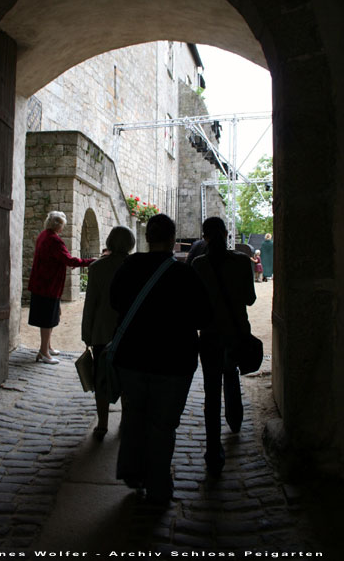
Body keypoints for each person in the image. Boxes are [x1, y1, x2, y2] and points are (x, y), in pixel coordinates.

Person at [110, 213, 211, 505]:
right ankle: (158, 486)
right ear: (171, 240)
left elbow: (115, 302)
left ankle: (132, 473)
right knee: (163, 425)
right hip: (173, 362)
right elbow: (204, 316)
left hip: (132, 358)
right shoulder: (185, 273)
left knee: (134, 417)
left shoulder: (130, 266)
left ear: (147, 238)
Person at [192, 217, 256, 477]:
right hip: (235, 331)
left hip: (209, 334)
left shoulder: (198, 264)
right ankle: (235, 419)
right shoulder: (241, 261)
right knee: (231, 376)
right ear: (226, 234)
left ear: (205, 236)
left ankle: (213, 450)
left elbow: (193, 304)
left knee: (210, 390)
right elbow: (250, 299)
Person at [81, 225, 136, 441]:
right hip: (128, 331)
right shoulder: (134, 268)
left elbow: (90, 305)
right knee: (127, 377)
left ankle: (102, 424)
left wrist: (87, 334)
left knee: (101, 378)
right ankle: (124, 421)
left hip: (102, 331)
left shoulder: (97, 267)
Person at [28, 210, 95, 364]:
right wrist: (91, 261)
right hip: (48, 285)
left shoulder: (43, 235)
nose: (63, 228)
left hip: (41, 283)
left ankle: (47, 347)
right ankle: (44, 352)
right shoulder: (54, 240)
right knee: (47, 320)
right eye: (62, 225)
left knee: (49, 318)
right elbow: (69, 260)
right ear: (58, 225)